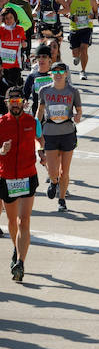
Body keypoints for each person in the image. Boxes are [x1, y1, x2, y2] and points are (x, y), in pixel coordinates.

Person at [0, 85, 39, 281]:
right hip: (7, 178)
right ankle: (15, 249)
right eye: (11, 102)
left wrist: (43, 154)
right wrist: (2, 151)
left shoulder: (32, 121)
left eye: (18, 101)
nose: (16, 105)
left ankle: (21, 263)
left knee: (24, 221)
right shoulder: (0, 123)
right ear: (6, 103)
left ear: (24, 102)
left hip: (27, 177)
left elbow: (41, 140)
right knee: (12, 222)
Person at [34, 62, 80, 213]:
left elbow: (78, 110)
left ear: (66, 74)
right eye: (55, 71)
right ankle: (54, 182)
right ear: (51, 74)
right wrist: (36, 128)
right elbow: (40, 111)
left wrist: (78, 116)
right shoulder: (44, 91)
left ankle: (62, 200)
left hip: (67, 133)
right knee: (53, 171)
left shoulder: (73, 91)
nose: (59, 74)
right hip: (50, 133)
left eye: (62, 71)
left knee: (64, 172)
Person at [66, 0, 97, 79]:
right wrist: (71, 16)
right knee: (75, 53)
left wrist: (93, 16)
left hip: (86, 28)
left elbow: (96, 13)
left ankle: (83, 71)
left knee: (84, 49)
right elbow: (63, 10)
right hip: (74, 28)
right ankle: (77, 56)